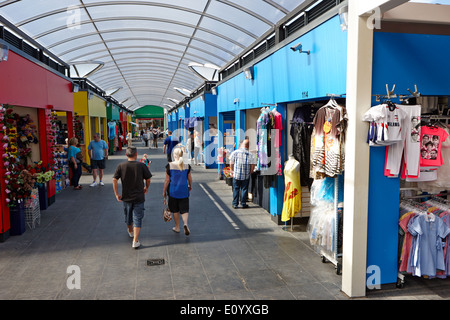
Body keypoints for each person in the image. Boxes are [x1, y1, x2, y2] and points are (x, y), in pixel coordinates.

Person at [113, 147, 152, 249]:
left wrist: (117, 193)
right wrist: (146, 187)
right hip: (139, 196)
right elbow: (148, 179)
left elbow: (114, 179)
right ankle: (135, 241)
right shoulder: (141, 166)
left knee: (128, 216)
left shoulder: (121, 166)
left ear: (126, 155)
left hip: (126, 197)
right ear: (136, 155)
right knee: (138, 218)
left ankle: (130, 231)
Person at [163, 147, 192, 235]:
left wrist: (164, 191)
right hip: (184, 190)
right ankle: (186, 224)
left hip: (173, 191)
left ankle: (177, 227)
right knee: (184, 209)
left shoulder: (169, 166)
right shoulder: (187, 166)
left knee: (175, 210)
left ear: (174, 155)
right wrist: (190, 186)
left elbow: (167, 180)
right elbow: (190, 178)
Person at [229, 139, 255, 209]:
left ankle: (235, 204)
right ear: (248, 146)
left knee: (236, 189)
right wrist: (251, 171)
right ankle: (243, 204)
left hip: (236, 174)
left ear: (242, 144)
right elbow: (252, 165)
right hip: (245, 175)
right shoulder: (250, 154)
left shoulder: (235, 152)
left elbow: (231, 162)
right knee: (244, 189)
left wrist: (232, 171)